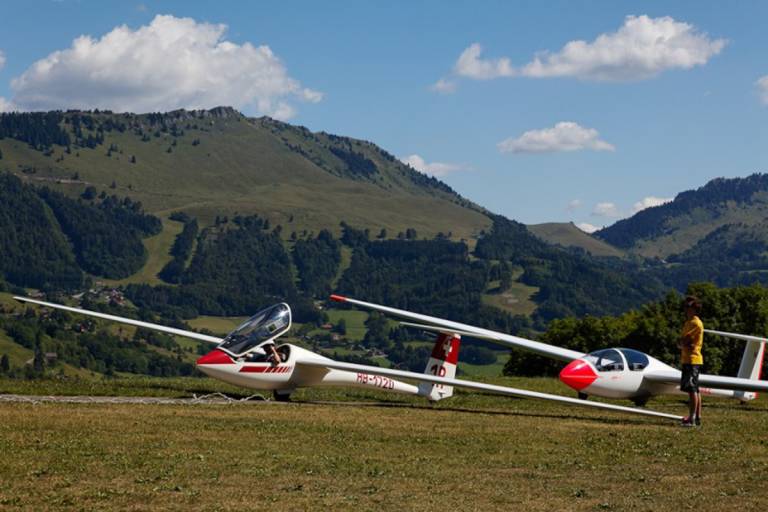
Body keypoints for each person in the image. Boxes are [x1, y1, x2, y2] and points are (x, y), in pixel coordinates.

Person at [679, 296, 704, 427]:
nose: (685, 309)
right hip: (689, 358)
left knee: (692, 389)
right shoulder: (688, 322)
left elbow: (685, 340)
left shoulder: (695, 323)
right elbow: (683, 341)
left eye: (688, 306)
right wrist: (682, 343)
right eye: (685, 306)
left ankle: (692, 418)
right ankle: (697, 417)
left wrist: (682, 343)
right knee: (695, 389)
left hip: (692, 359)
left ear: (695, 309)